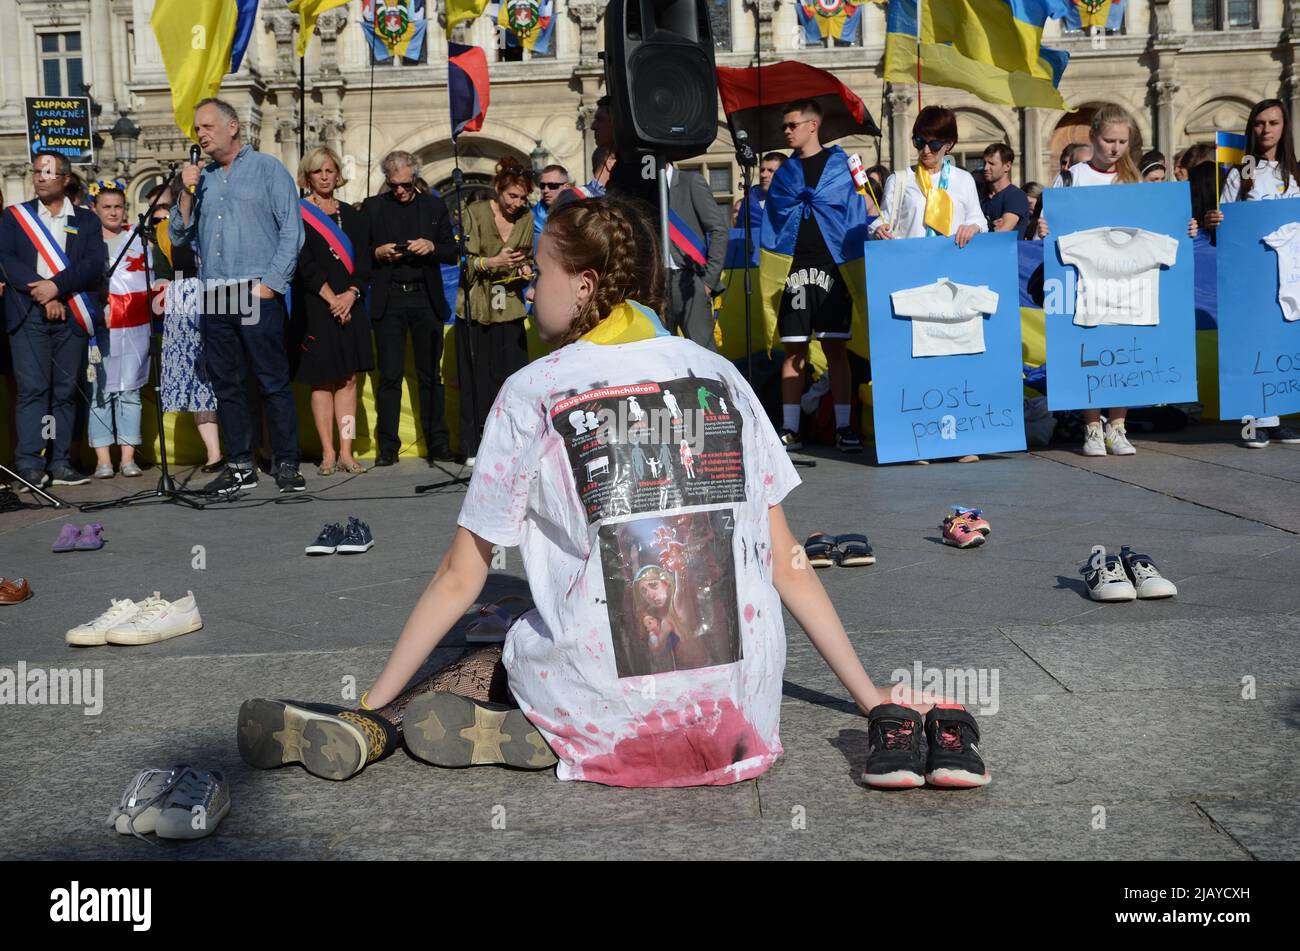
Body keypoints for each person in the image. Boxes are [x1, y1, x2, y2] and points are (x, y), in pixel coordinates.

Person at [235, 196, 990, 791]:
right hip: (739, 726)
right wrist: (868, 697)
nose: (529, 286)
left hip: (607, 696)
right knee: (547, 598)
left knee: (492, 613)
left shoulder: (532, 389)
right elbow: (789, 560)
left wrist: (372, 696)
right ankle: (538, 720)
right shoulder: (718, 373)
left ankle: (388, 722)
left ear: (587, 284)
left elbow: (458, 572)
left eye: (540, 272)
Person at [1040, 104, 1199, 458]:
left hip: (1131, 284)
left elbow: (1160, 224)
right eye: (1109, 140)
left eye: (1122, 142)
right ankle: (1092, 427)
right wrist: (1045, 228)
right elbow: (1053, 224)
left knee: (1125, 349)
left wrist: (1184, 228)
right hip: (1087, 281)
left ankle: (1118, 426)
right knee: (1089, 349)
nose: (1115, 148)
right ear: (1093, 137)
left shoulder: (1134, 181)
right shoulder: (1071, 178)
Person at [172, 98, 306, 495]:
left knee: (270, 380)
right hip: (215, 292)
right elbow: (179, 236)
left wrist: (272, 283)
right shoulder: (204, 178)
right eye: (198, 130)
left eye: (207, 126)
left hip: (254, 288)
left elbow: (292, 231)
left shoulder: (267, 169)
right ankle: (239, 464)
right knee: (226, 383)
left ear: (233, 127)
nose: (201, 135)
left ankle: (285, 461)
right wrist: (185, 190)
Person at [872, 106, 988, 463]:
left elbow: (978, 220)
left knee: (952, 359)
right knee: (915, 360)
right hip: (911, 279)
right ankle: (916, 439)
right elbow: (882, 220)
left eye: (934, 143)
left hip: (951, 279)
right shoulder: (900, 180)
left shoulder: (964, 181)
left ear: (949, 145)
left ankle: (958, 441)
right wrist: (878, 229)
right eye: (919, 141)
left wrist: (974, 228)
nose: (925, 150)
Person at [765, 98, 868, 454]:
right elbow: (773, 218)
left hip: (833, 265)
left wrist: (875, 222)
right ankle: (790, 428)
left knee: (835, 347)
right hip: (793, 267)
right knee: (793, 350)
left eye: (792, 124)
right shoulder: (785, 172)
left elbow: (866, 203)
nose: (786, 132)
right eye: (784, 126)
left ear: (813, 125)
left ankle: (844, 426)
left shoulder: (843, 163)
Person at [0, 151, 106, 489]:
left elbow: (92, 265)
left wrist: (56, 288)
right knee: (33, 389)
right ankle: (30, 462)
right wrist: (41, 293)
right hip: (29, 313)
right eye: (36, 172)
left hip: (71, 312)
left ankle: (60, 461)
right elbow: (5, 260)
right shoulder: (14, 217)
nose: (40, 177)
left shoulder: (86, 220)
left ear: (65, 179)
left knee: (64, 391)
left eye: (48, 172)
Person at [1204, 98, 1300, 448]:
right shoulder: (1241, 173)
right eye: (1259, 123)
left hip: (1288, 272)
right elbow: (1225, 221)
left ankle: (1274, 418)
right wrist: (1214, 221)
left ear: (1284, 127)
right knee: (1249, 342)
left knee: (1280, 338)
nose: (1265, 130)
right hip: (1250, 271)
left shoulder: (1296, 173)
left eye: (1273, 123)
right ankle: (1250, 423)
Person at [362, 150, 458, 467]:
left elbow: (451, 251)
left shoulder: (433, 205)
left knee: (431, 375)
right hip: (389, 298)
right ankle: (388, 446)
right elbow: (359, 254)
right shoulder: (374, 208)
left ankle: (438, 443)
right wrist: (377, 252)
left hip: (424, 297)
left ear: (414, 178)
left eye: (404, 184)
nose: (400, 191)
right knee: (388, 376)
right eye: (394, 185)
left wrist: (431, 247)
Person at [294, 146, 374, 476]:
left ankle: (347, 449)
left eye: (330, 170)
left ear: (338, 174)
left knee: (349, 380)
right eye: (318, 172)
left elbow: (365, 263)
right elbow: (304, 265)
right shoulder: (298, 215)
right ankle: (327, 451)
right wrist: (333, 299)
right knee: (321, 382)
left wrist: (351, 295)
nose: (325, 177)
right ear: (307, 176)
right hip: (317, 307)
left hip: (351, 306)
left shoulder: (353, 216)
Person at [457, 157, 535, 465]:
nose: (516, 203)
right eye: (511, 196)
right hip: (477, 307)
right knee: (476, 379)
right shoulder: (474, 213)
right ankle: (472, 444)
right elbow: (464, 261)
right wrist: (492, 263)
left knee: (512, 378)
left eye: (522, 197)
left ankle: (511, 442)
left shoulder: (526, 218)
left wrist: (525, 269)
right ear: (497, 190)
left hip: (510, 307)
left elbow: (525, 256)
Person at [150, 187, 223, 472]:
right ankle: (214, 453)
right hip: (184, 302)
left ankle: (252, 448)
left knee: (230, 371)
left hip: (222, 294)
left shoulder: (218, 222)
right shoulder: (165, 230)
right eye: (184, 200)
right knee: (197, 378)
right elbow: (163, 275)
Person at [88, 180, 148, 479]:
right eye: (107, 207)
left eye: (118, 206)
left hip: (133, 325)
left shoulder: (138, 239)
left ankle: (127, 457)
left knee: (130, 391)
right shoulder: (86, 243)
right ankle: (103, 460)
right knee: (100, 391)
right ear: (94, 209)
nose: (113, 212)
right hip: (99, 326)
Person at [664, 161, 728, 349]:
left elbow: (718, 230)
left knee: (704, 355)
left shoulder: (690, 182)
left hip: (688, 280)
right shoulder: (643, 189)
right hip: (655, 282)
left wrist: (708, 281)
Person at [980, 143, 1030, 233]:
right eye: (984, 163)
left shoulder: (1016, 195)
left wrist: (981, 227)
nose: (985, 167)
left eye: (991, 163)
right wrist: (989, 225)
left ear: (1007, 166)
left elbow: (1002, 232)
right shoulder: (981, 196)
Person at [731, 152, 786, 233]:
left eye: (770, 171)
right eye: (762, 170)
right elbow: (740, 234)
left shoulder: (795, 201)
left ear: (784, 174)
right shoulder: (749, 202)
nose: (763, 175)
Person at [532, 164, 569, 249]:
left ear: (566, 187)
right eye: (542, 186)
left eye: (552, 186)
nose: (545, 190)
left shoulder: (578, 213)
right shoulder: (532, 215)